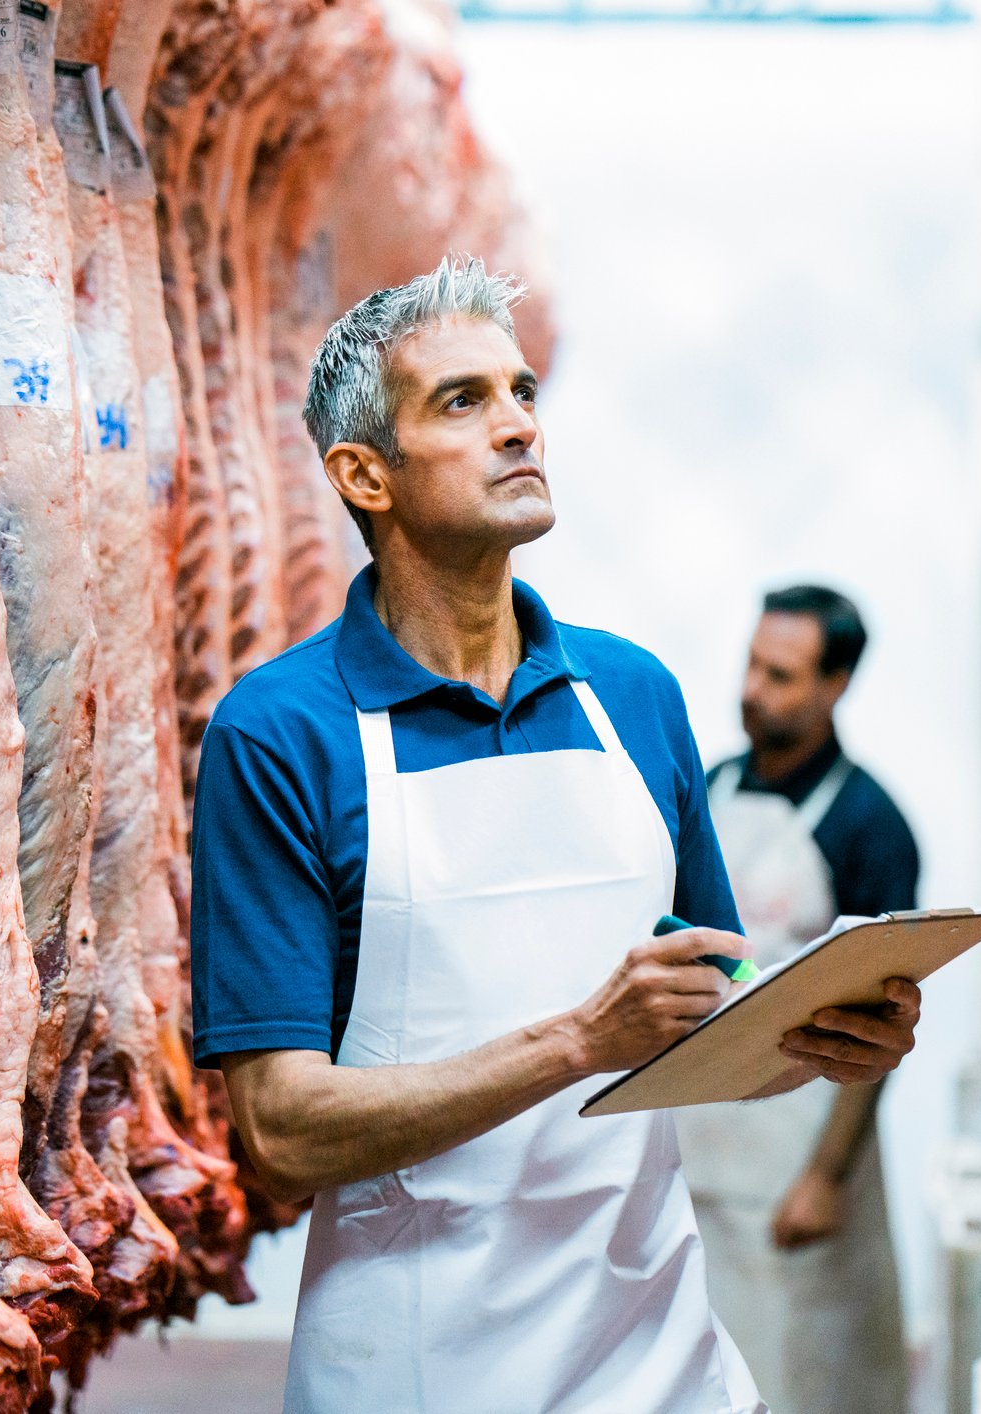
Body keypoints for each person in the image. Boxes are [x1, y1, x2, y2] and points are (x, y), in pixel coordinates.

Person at [188, 258, 925, 1414]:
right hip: (417, 1360)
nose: (520, 425)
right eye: (463, 401)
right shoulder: (280, 732)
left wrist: (825, 1033)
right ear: (362, 474)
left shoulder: (630, 694)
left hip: (656, 1355)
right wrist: (577, 1041)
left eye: (522, 391)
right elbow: (281, 1127)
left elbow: (715, 1003)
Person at [675, 585, 922, 1414]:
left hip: (801, 1151)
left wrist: (824, 1177)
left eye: (780, 675)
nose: (753, 689)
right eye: (751, 664)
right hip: (697, 1140)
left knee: (807, 1371)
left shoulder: (869, 822)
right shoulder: (707, 787)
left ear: (836, 683)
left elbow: (883, 1025)